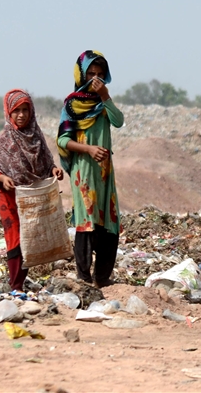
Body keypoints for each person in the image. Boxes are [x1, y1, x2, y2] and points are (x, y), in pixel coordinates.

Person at [57, 50, 124, 287]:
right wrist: (88, 149)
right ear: (81, 75)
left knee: (108, 221)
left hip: (104, 172)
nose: (95, 79)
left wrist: (106, 96)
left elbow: (119, 121)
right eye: (90, 73)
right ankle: (84, 278)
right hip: (83, 171)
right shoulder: (72, 104)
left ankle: (103, 278)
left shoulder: (104, 105)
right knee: (86, 222)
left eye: (100, 74)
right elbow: (63, 140)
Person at [0, 89, 64, 291]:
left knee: (28, 241)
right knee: (15, 242)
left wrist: (55, 170)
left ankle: (19, 284)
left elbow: (47, 162)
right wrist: (3, 179)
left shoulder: (36, 136)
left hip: (32, 199)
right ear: (8, 112)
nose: (21, 115)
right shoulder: (4, 139)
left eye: (25, 110)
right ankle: (16, 286)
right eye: (16, 110)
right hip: (10, 198)